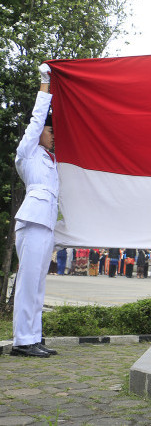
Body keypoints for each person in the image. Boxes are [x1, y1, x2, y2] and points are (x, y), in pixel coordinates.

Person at [11, 63, 60, 358]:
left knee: (38, 283)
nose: (53, 134)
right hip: (32, 221)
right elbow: (36, 118)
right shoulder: (28, 152)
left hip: (46, 224)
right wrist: (46, 84)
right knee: (28, 281)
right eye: (50, 130)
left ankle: (33, 336)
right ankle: (21, 341)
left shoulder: (51, 160)